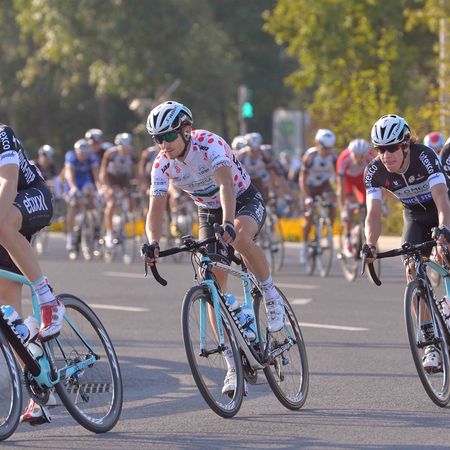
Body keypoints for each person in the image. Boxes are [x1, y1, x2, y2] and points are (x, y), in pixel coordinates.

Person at [143, 101, 285, 395]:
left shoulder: (209, 144)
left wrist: (229, 223)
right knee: (210, 287)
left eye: (168, 136)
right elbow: (155, 208)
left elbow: (225, 186)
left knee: (241, 238)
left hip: (242, 200)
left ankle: (270, 294)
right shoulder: (161, 164)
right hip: (208, 212)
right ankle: (233, 366)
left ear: (186, 130)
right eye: (157, 139)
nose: (163, 144)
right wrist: (152, 242)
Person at [364, 114, 450, 372]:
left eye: (391, 148)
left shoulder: (424, 156)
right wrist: (370, 243)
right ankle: (430, 344)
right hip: (414, 217)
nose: (386, 155)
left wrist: (443, 230)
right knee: (412, 271)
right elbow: (373, 214)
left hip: (441, 209)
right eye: (380, 149)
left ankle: (447, 304)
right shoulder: (374, 171)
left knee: (446, 250)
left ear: (405, 145)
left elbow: (441, 197)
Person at [0, 124, 65, 424]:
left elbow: (8, 181)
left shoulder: (2, 134)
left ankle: (48, 298)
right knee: (9, 319)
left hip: (31, 195)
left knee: (2, 224)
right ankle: (39, 384)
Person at [299, 128, 338, 263]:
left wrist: (338, 191)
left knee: (333, 204)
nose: (327, 151)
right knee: (309, 215)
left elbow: (339, 176)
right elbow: (302, 178)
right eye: (325, 148)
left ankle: (326, 231)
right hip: (309, 186)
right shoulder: (310, 156)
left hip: (324, 185)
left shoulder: (333, 157)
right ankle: (304, 246)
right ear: (318, 145)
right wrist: (307, 197)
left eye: (330, 148)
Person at [336, 138, 373, 257]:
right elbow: (341, 188)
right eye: (356, 156)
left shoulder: (371, 158)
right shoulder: (344, 160)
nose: (359, 159)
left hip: (362, 181)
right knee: (349, 206)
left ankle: (361, 231)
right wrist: (343, 209)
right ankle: (347, 239)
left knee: (369, 206)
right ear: (351, 153)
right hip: (348, 181)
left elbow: (378, 182)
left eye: (362, 156)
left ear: (366, 154)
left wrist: (382, 202)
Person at [99, 132, 136, 249]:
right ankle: (109, 233)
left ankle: (123, 222)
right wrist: (107, 188)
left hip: (124, 178)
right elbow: (103, 173)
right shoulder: (111, 154)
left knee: (131, 199)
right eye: (122, 147)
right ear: (117, 146)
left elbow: (137, 172)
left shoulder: (133, 154)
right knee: (111, 203)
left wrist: (141, 186)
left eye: (127, 147)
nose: (125, 150)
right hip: (111, 178)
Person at [64, 138, 100, 254]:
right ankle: (70, 236)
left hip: (85, 181)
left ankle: (92, 224)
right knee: (73, 205)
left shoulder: (92, 157)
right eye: (80, 153)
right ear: (76, 152)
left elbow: (96, 175)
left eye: (85, 153)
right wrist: (73, 187)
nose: (83, 156)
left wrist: (99, 188)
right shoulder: (71, 156)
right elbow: (69, 174)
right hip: (73, 182)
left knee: (91, 198)